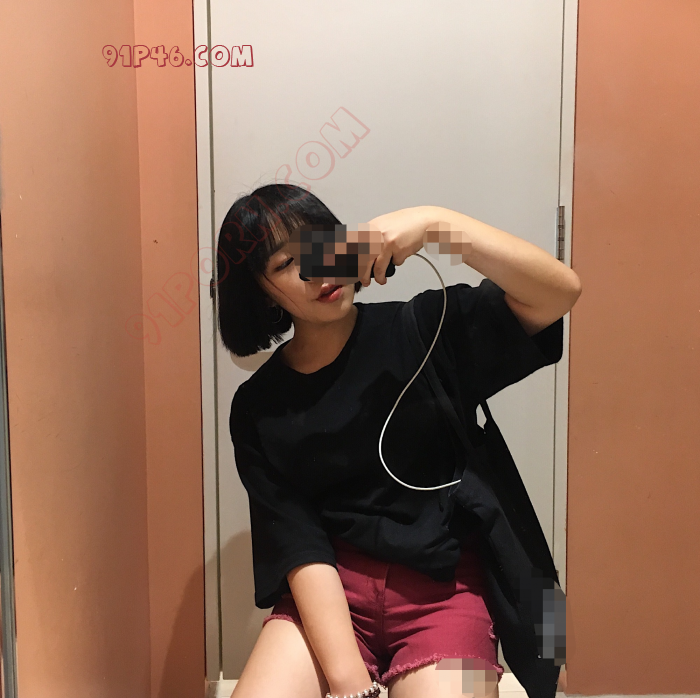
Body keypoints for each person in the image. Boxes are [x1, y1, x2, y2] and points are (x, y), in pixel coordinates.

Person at [217, 184, 581, 698]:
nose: (317, 269)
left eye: (320, 243)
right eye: (286, 264)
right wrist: (347, 679)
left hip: (446, 592)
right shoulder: (259, 406)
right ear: (262, 292)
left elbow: (560, 292)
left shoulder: (424, 329)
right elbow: (297, 543)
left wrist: (435, 223)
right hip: (332, 599)